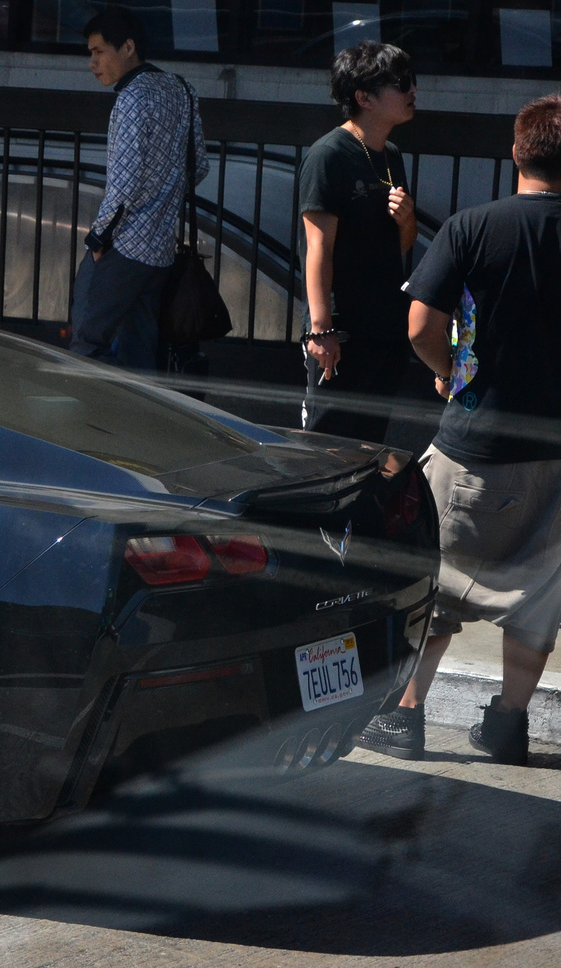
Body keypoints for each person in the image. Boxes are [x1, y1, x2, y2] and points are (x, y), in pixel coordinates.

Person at [355, 93, 561, 766]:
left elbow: (420, 325)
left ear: (515, 153)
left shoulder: (474, 228)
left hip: (479, 440)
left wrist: (450, 373)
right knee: (536, 598)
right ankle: (508, 725)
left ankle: (405, 717)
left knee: (434, 581)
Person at [69, 5, 207, 370]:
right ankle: (139, 420)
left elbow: (124, 182)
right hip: (160, 248)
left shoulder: (131, 98)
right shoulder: (182, 89)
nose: (93, 63)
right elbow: (200, 166)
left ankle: (87, 418)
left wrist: (98, 240)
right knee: (140, 348)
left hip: (123, 243)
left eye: (99, 52)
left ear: (127, 48)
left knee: (86, 340)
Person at [299, 42, 419, 443]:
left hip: (384, 323)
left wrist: (406, 220)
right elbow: (318, 247)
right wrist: (320, 330)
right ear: (364, 98)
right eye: (401, 83)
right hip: (343, 327)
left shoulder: (392, 154)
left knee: (370, 444)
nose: (412, 90)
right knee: (326, 442)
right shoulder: (328, 155)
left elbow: (402, 246)